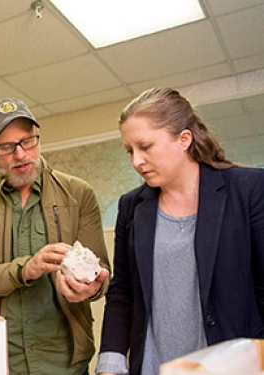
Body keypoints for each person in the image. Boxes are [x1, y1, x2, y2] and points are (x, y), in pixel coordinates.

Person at [96, 87, 264, 375]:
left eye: (145, 147)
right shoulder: (132, 207)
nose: (136, 161)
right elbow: (122, 292)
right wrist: (109, 365)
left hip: (228, 367)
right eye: (129, 151)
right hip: (152, 366)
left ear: (184, 139)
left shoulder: (248, 190)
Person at [0, 98, 111, 375]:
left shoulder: (78, 193)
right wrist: (24, 270)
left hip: (64, 361)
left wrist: (93, 287)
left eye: (28, 141)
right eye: (7, 147)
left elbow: (101, 272)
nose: (20, 154)